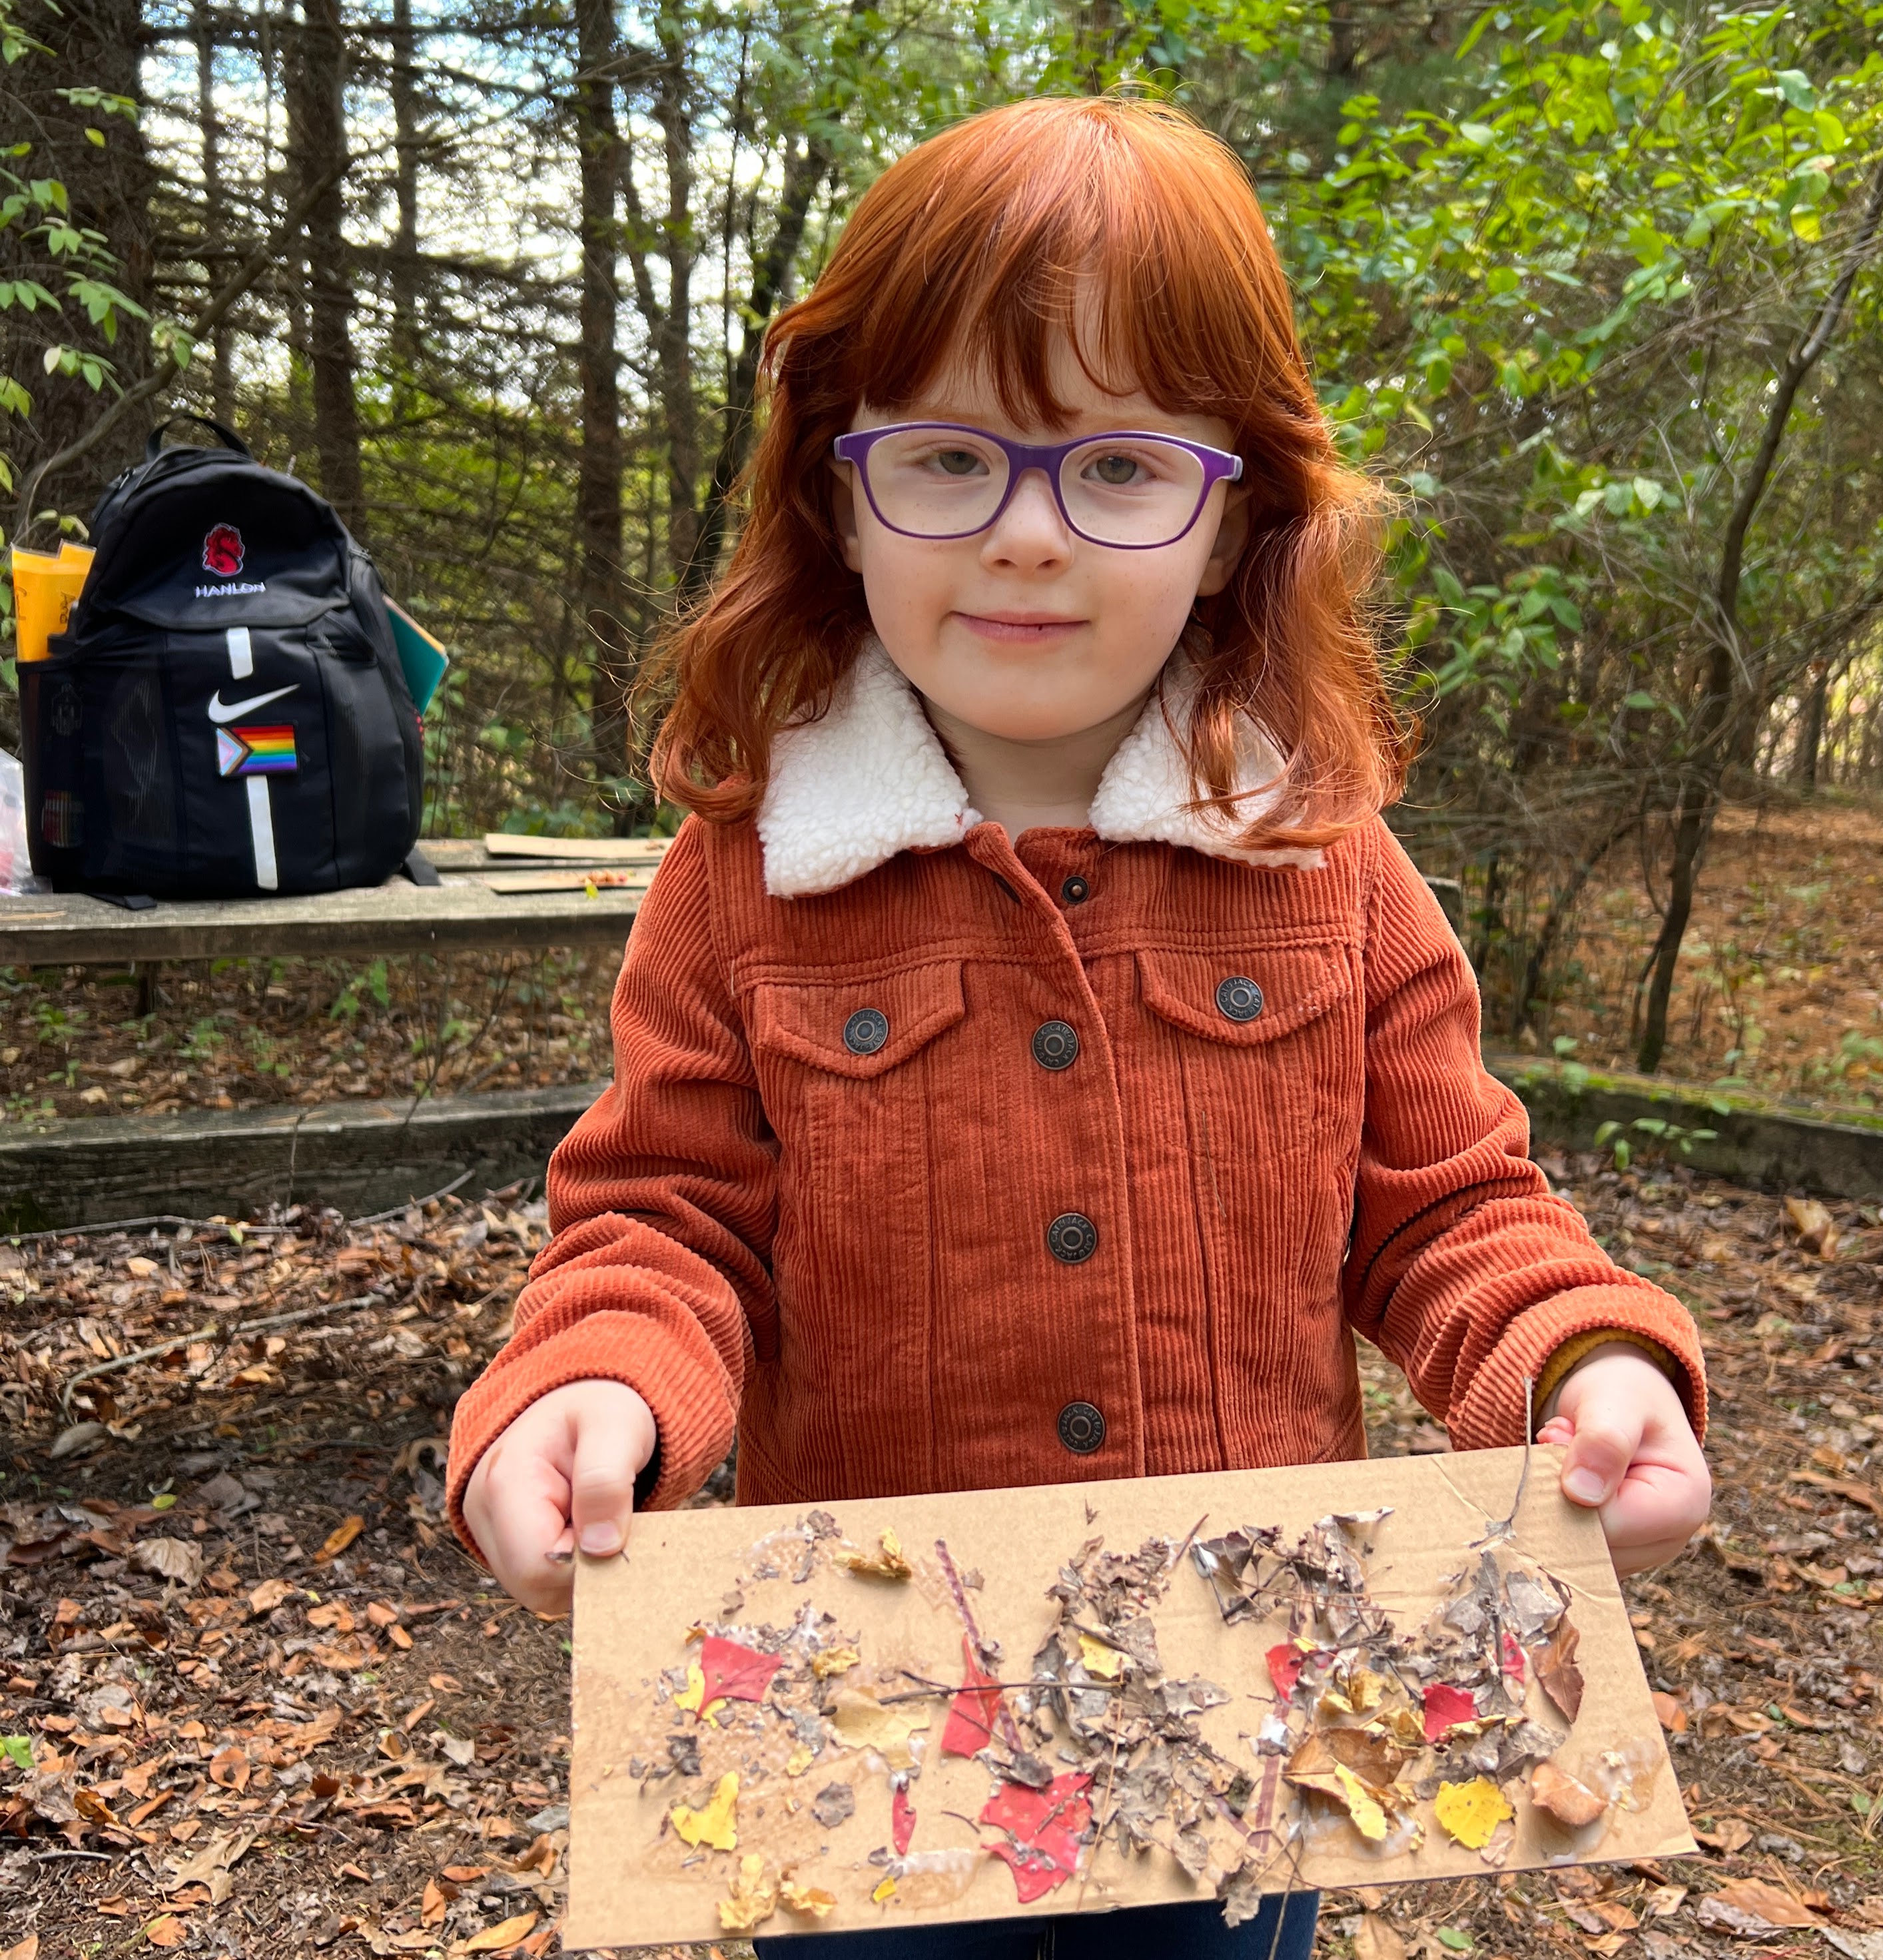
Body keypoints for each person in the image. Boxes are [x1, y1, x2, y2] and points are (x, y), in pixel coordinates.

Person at [448, 96, 1711, 1959]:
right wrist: (597, 1382)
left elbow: (1448, 1204)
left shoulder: (1325, 863)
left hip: (1240, 1692)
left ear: (1233, 516)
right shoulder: (746, 880)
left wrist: (1579, 1359)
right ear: (841, 496)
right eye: (949, 458)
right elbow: (666, 1218)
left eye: (1119, 467)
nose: (1028, 536)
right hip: (868, 1710)